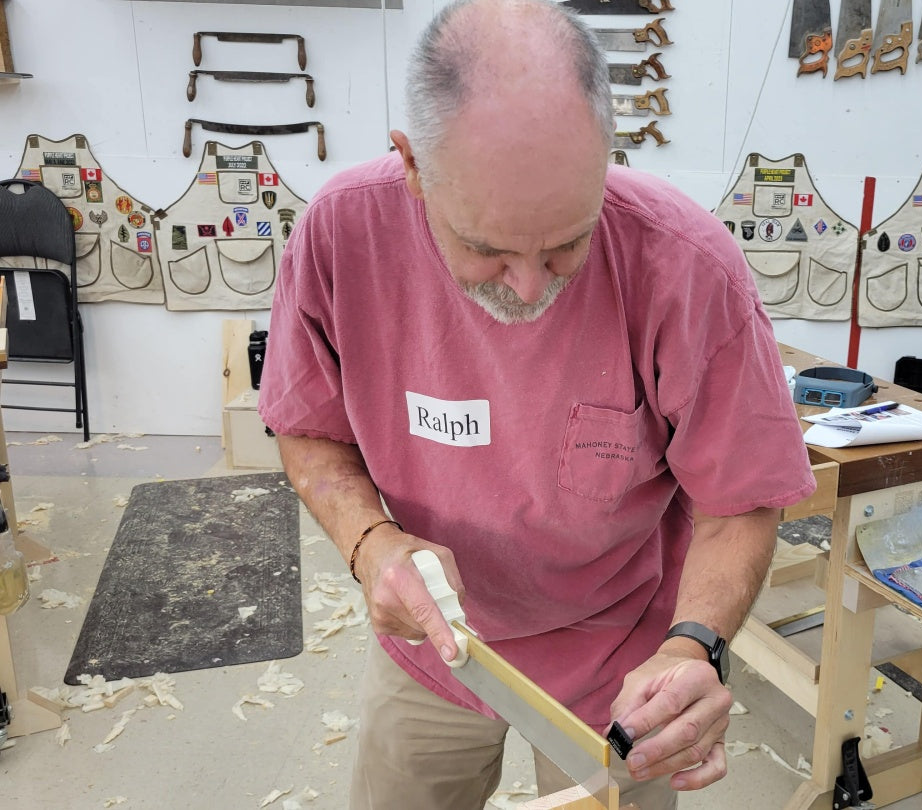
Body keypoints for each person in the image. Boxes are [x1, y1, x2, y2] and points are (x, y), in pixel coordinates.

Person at [257, 1, 816, 808]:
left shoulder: (687, 267)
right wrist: (369, 543)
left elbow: (742, 502)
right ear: (413, 166)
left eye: (566, 244)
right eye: (486, 249)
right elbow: (307, 430)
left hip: (622, 662)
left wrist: (693, 646)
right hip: (432, 643)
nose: (530, 287)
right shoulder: (342, 235)